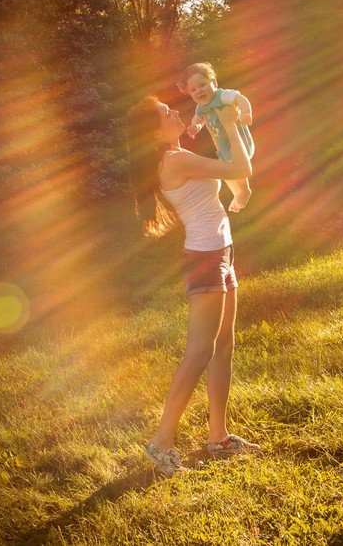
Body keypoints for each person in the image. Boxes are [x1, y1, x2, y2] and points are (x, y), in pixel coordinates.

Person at [127, 95, 261, 477]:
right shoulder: (176, 160)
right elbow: (240, 167)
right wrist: (232, 123)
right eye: (165, 113)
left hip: (220, 250)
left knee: (224, 345)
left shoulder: (177, 152)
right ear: (154, 130)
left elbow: (227, 170)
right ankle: (161, 441)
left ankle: (217, 436)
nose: (174, 111)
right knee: (200, 351)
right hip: (205, 259)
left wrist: (216, 127)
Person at [178, 62, 255, 212]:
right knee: (225, 169)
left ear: (214, 82)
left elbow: (241, 99)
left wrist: (246, 113)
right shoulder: (200, 107)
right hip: (222, 145)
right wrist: (195, 127)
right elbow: (198, 118)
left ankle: (244, 190)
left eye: (202, 85)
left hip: (239, 141)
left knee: (234, 164)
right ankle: (237, 192)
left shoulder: (222, 95)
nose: (198, 91)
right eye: (193, 90)